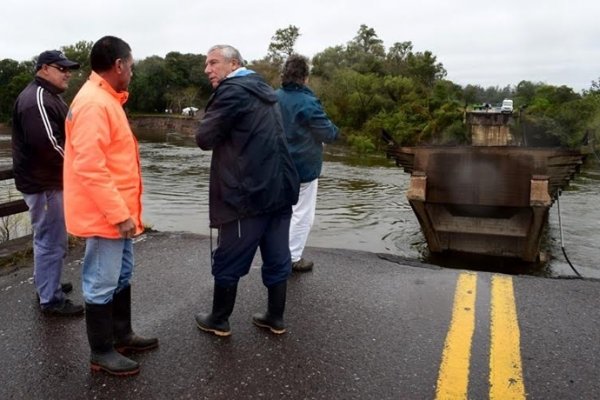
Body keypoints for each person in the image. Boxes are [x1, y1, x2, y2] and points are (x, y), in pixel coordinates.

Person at [64, 36, 158, 376]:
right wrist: (119, 215)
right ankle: (101, 351)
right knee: (102, 280)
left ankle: (122, 335)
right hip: (106, 215)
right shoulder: (94, 103)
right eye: (131, 67)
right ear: (118, 65)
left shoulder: (105, 99)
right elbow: (89, 166)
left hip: (116, 213)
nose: (132, 73)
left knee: (119, 276)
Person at [194, 45, 299, 336]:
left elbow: (204, 137)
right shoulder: (264, 90)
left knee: (229, 256)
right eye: (206, 64)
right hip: (279, 190)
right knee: (278, 255)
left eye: (214, 62)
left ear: (234, 64)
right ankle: (275, 317)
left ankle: (218, 319)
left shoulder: (233, 91)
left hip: (248, 193)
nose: (207, 69)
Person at [11, 50, 84, 316]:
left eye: (69, 69)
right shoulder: (37, 99)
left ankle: (47, 283)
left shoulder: (48, 96)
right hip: (43, 185)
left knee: (51, 238)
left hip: (47, 182)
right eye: (61, 68)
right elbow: (49, 146)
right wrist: (81, 168)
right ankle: (50, 299)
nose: (67, 73)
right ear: (43, 69)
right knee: (50, 241)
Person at [276, 54, 339, 272]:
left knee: (280, 213)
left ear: (284, 74)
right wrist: (332, 129)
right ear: (305, 78)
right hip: (302, 169)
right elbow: (328, 134)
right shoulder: (308, 102)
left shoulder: (273, 98)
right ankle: (293, 258)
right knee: (302, 214)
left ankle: (276, 254)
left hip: (275, 168)